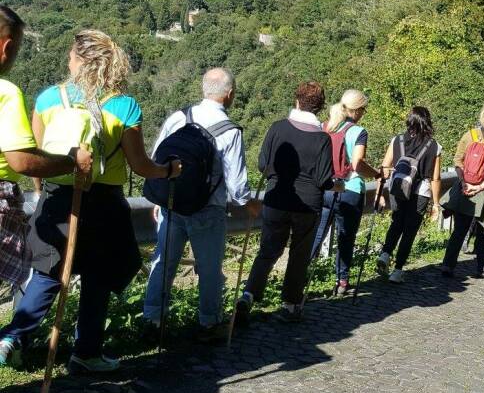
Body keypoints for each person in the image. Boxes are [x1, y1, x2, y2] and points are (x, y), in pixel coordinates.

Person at [1, 29, 181, 372]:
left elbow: (39, 156)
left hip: (56, 198)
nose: (66, 61)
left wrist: (41, 192)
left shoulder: (48, 99)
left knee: (48, 273)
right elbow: (140, 166)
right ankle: (86, 353)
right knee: (98, 275)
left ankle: (11, 338)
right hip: (103, 202)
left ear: (81, 61)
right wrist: (168, 171)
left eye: (70, 56)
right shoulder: (125, 106)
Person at [0, 7, 93, 364]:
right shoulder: (5, 91)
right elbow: (21, 160)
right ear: (6, 47)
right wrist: (70, 160)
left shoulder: (47, 99)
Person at [143, 68, 261, 341]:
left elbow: (156, 157)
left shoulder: (179, 117)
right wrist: (249, 205)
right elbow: (237, 185)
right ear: (230, 95)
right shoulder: (230, 131)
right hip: (209, 210)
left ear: (203, 89)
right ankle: (209, 323)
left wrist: (160, 196)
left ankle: (152, 320)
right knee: (209, 269)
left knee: (163, 263)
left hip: (172, 203)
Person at [234, 81, 340, 324]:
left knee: (268, 251)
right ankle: (290, 305)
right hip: (307, 206)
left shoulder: (278, 128)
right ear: (320, 107)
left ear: (296, 101)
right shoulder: (322, 138)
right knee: (299, 255)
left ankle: (249, 295)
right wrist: (338, 185)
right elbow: (324, 179)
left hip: (276, 199)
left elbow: (263, 164)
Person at [312, 89, 381, 296]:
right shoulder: (358, 131)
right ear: (358, 110)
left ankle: (296, 282)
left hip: (325, 189)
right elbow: (357, 163)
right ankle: (342, 282)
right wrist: (377, 174)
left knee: (316, 236)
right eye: (363, 110)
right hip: (350, 191)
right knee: (345, 238)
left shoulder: (325, 127)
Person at [439, 102, 484, 278]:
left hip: (465, 189)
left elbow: (457, 161)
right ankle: (483, 268)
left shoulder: (469, 135)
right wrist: (480, 187)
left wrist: (464, 182)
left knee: (460, 229)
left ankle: (448, 265)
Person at [376, 106, 441, 283]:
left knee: (396, 222)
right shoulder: (434, 146)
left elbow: (384, 167)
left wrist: (379, 192)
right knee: (409, 230)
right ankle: (397, 270)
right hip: (421, 191)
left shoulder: (396, 140)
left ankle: (385, 253)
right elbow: (435, 178)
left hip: (397, 187)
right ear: (428, 122)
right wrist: (436, 204)